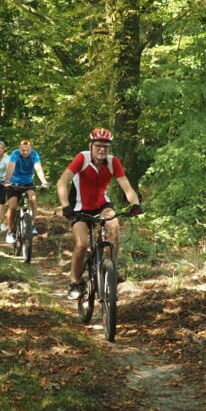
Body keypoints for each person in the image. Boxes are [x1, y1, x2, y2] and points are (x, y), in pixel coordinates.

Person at [57, 127, 141, 299]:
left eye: (105, 146)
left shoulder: (112, 162)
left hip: (102, 204)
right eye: (98, 146)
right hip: (79, 207)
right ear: (91, 146)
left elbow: (125, 185)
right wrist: (66, 206)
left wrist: (135, 204)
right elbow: (62, 182)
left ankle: (111, 269)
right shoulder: (82, 158)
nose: (102, 149)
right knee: (81, 244)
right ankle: (74, 281)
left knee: (114, 227)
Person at [4, 139, 49, 244]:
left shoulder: (34, 155)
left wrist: (44, 182)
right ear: (19, 149)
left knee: (33, 199)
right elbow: (11, 167)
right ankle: (10, 231)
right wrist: (7, 180)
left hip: (28, 183)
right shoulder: (15, 154)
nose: (25, 152)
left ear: (31, 149)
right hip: (14, 183)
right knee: (13, 206)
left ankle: (31, 224)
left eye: (27, 150)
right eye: (23, 150)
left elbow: (38, 169)